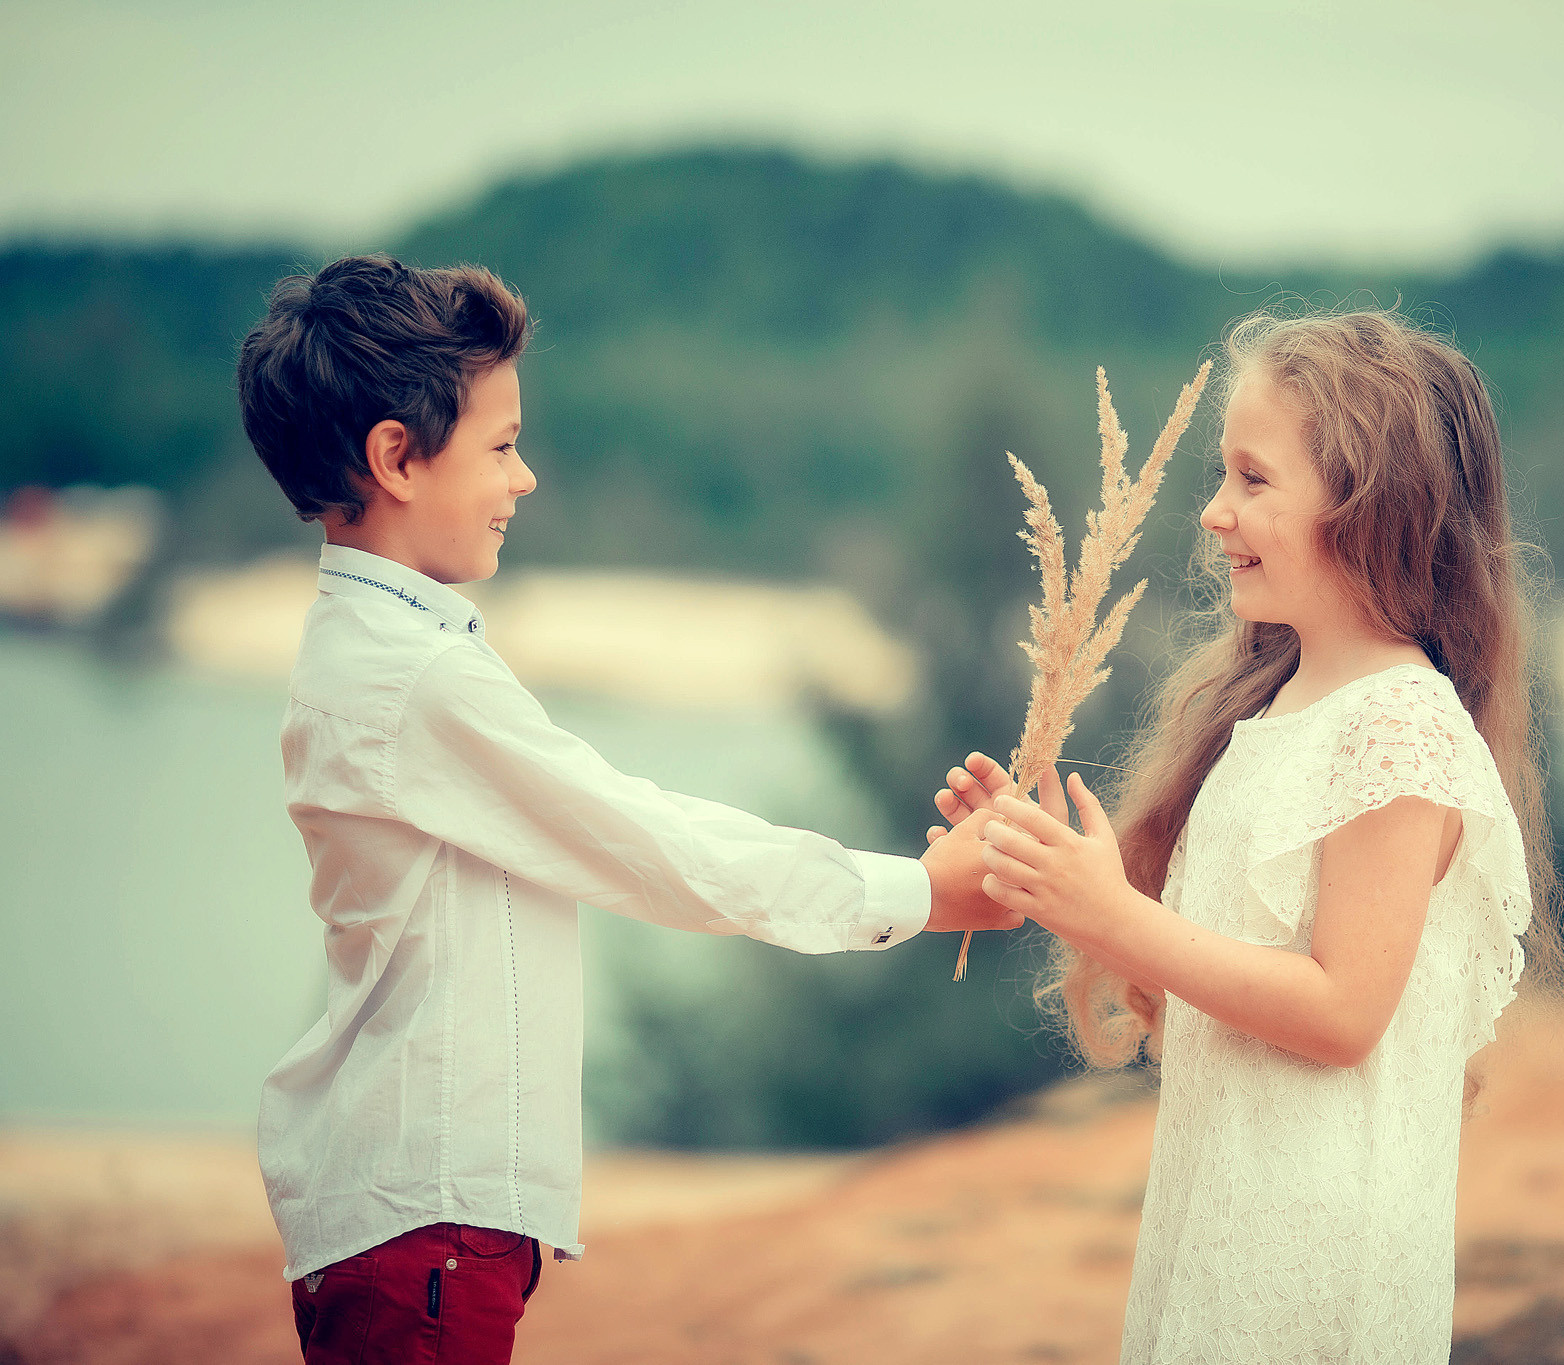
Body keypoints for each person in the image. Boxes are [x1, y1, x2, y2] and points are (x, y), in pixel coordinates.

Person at [237, 254, 1017, 1365]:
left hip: (420, 1222)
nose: (526, 479)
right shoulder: (412, 677)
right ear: (395, 457)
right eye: (502, 445)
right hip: (423, 1228)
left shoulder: (388, 651)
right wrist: (917, 893)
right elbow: (646, 843)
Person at [931, 309, 1564, 1363]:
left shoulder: (1397, 726)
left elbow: (1339, 1013)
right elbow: (1210, 973)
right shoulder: (1279, 706)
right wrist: (1053, 876)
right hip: (1225, 1226)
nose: (1214, 515)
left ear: (1373, 504)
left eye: (1252, 479)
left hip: (1313, 1261)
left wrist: (1114, 915)